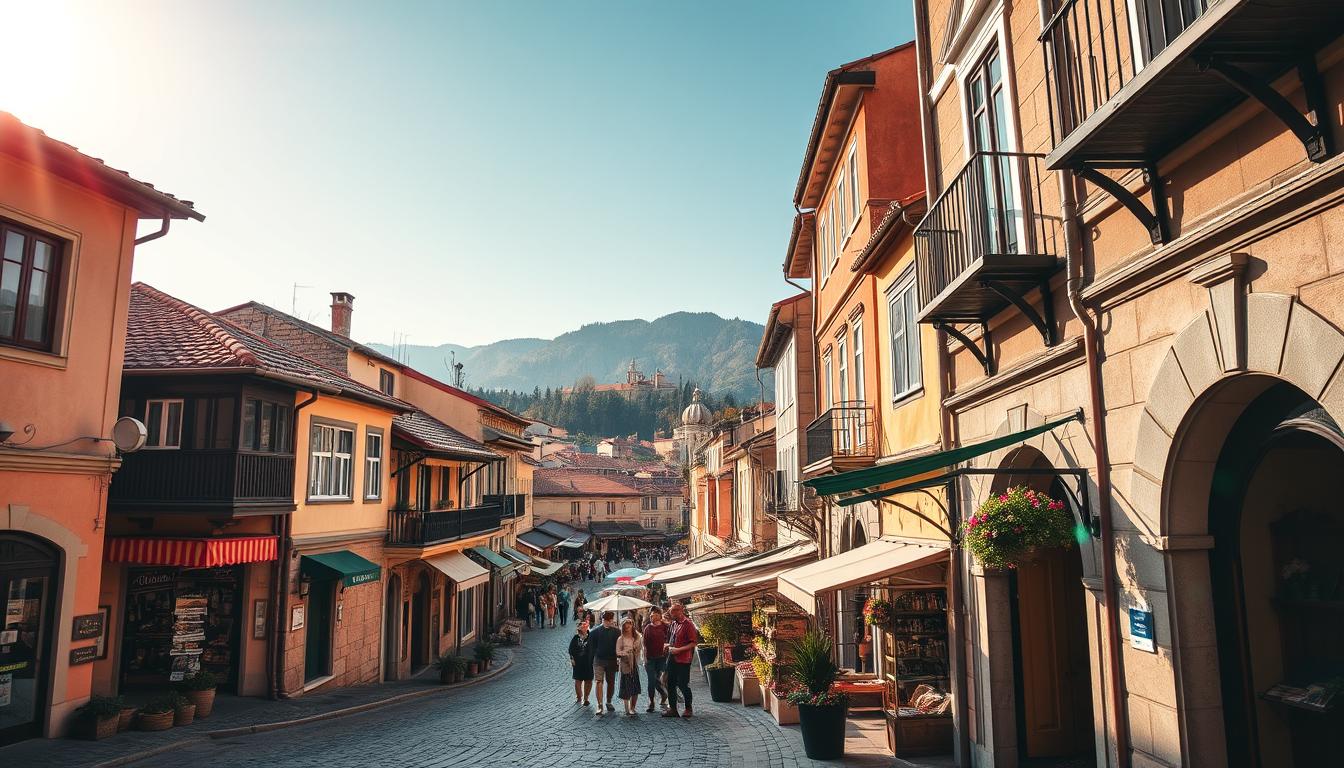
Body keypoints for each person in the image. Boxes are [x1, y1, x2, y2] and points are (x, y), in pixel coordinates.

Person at [663, 601, 698, 718]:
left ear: (680, 611)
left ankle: (688, 708)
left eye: (673, 611)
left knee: (683, 684)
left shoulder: (688, 624)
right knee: (670, 683)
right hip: (672, 658)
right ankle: (673, 709)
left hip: (683, 659)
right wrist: (667, 645)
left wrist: (679, 650)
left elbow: (693, 643)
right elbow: (672, 640)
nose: (671, 613)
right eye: (671, 611)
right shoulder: (673, 624)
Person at [588, 610, 620, 715]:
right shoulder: (594, 632)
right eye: (606, 620)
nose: (608, 622)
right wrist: (591, 661)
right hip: (599, 660)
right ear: (603, 620)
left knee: (611, 682)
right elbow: (591, 648)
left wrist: (618, 658)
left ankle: (609, 701)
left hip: (612, 660)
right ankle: (600, 704)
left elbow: (619, 647)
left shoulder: (617, 632)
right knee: (598, 681)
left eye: (610, 620)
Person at [642, 606, 670, 712]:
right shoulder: (648, 628)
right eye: (652, 615)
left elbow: (671, 639)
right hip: (650, 659)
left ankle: (665, 695)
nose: (654, 617)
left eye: (656, 615)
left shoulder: (665, 627)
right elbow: (644, 645)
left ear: (660, 615)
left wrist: (668, 646)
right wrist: (644, 659)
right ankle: (651, 702)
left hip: (663, 658)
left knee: (663, 679)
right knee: (651, 681)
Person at [616, 618, 643, 716]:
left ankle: (633, 707)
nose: (627, 627)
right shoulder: (621, 638)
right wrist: (625, 652)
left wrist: (635, 648)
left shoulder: (637, 637)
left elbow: (640, 649)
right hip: (625, 664)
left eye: (629, 625)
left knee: (635, 686)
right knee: (626, 685)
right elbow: (617, 652)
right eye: (625, 626)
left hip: (634, 664)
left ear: (632, 626)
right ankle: (627, 708)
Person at [568, 621, 594, 706]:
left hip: (588, 662)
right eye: (581, 626)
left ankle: (586, 698)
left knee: (588, 680)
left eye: (584, 626)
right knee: (578, 680)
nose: (583, 628)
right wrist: (572, 659)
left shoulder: (591, 637)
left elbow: (595, 648)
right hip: (578, 663)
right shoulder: (576, 637)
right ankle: (579, 697)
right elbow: (570, 649)